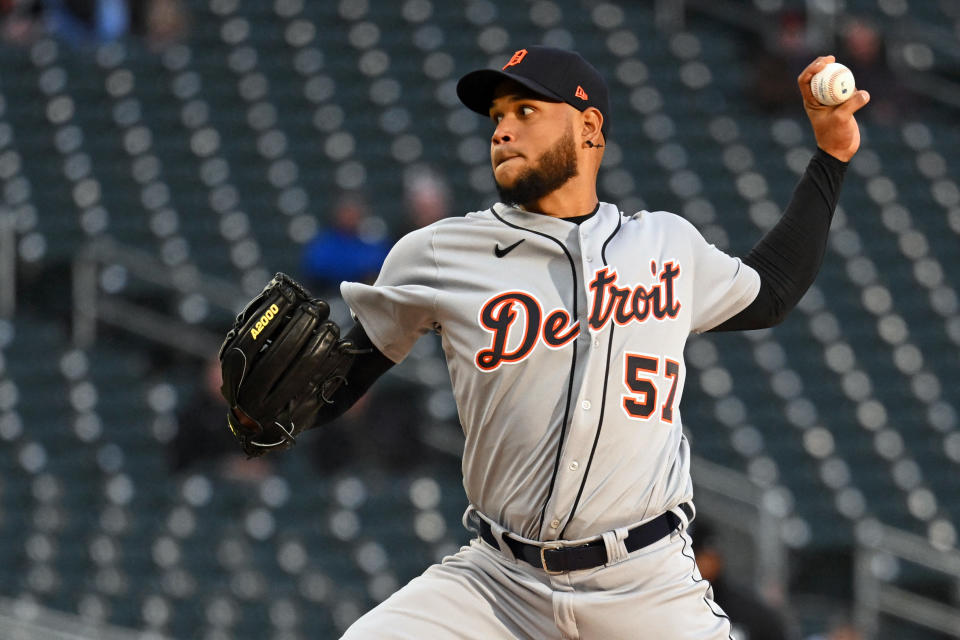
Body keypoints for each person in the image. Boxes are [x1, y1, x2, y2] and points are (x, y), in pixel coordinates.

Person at [244, 45, 868, 638]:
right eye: (496, 116)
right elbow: (334, 382)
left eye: (525, 111)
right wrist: (260, 410)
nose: (501, 130)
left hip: (644, 582)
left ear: (590, 128)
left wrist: (831, 160)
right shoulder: (439, 253)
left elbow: (775, 289)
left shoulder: (664, 247)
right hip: (498, 581)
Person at [690, 521, 791, 640]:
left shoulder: (752, 613)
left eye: (711, 555)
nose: (708, 562)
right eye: (697, 556)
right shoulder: (672, 605)